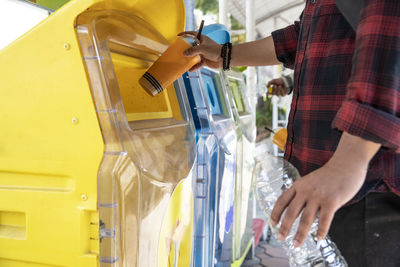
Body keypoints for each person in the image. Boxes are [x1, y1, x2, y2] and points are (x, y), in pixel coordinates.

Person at [180, 0, 400, 266]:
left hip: (366, 183)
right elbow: (308, 34)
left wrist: (350, 160)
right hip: (332, 177)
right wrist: (226, 54)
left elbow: (389, 25)